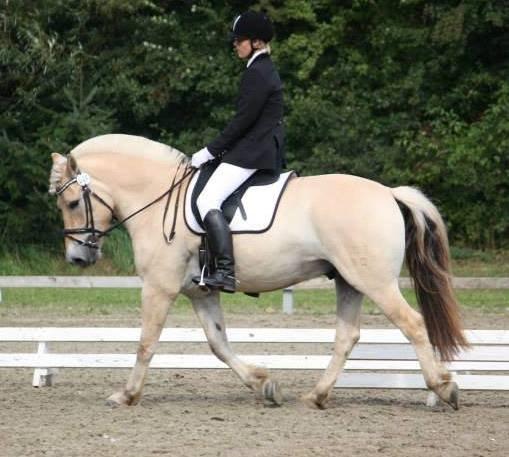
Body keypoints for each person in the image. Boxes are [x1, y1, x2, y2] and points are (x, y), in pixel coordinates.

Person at [191, 10, 285, 293]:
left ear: (256, 42)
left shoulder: (257, 73)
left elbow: (242, 122)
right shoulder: (261, 70)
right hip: (259, 148)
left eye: (239, 40)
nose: (235, 44)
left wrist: (209, 151)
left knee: (207, 200)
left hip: (253, 152)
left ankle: (226, 273)